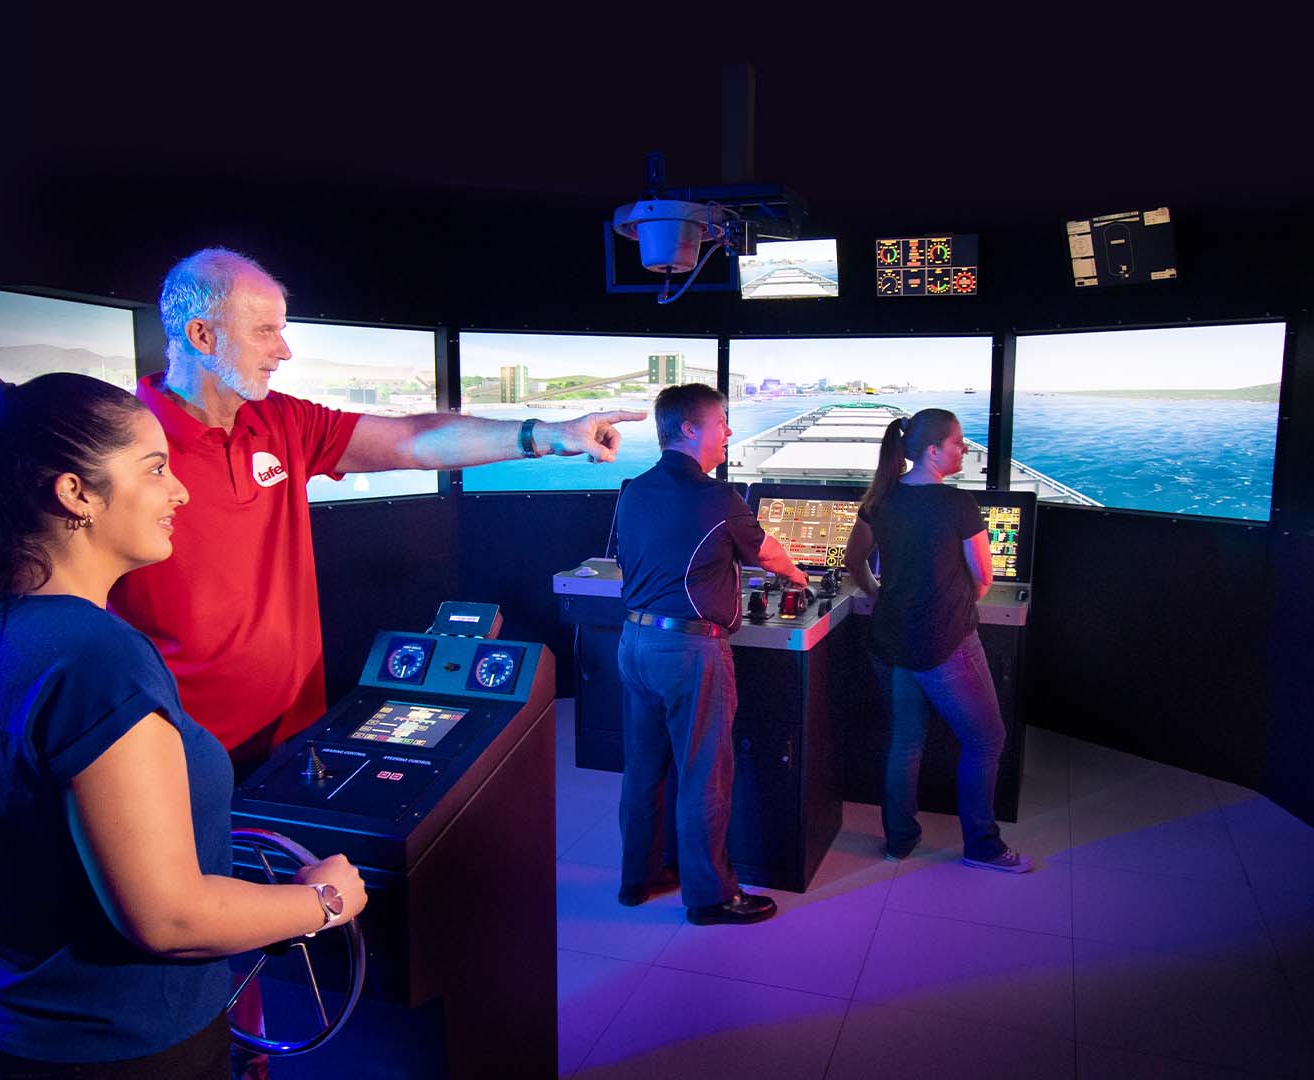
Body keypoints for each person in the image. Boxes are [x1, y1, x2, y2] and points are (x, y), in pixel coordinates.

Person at [0, 372, 370, 1079]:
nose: (180, 491)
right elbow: (169, 919)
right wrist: (323, 901)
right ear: (75, 494)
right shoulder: (98, 657)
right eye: (155, 470)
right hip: (116, 1052)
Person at [110, 247, 646, 776]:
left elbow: (413, 441)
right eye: (265, 331)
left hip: (293, 736)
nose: (284, 351)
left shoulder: (281, 422)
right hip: (176, 752)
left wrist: (549, 435)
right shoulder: (116, 448)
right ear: (201, 336)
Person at [611, 383, 808, 924]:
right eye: (722, 421)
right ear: (692, 428)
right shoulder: (718, 498)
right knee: (704, 773)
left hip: (635, 643)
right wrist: (800, 575)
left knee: (644, 769)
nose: (728, 431)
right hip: (689, 651)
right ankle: (712, 896)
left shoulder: (633, 489)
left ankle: (638, 878)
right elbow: (769, 554)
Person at [843, 408, 1032, 873]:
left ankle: (899, 841)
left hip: (890, 637)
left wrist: (876, 591)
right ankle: (983, 845)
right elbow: (983, 575)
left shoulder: (881, 500)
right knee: (987, 739)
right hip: (946, 642)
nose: (963, 449)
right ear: (932, 451)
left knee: (906, 740)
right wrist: (960, 602)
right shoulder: (957, 505)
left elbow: (854, 560)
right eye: (958, 442)